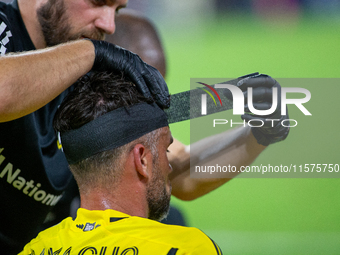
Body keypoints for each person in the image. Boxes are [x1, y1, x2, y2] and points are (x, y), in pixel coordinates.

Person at [0, 1, 169, 253]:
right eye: (98, 2)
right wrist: (91, 51)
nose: (109, 25)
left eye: (117, 9)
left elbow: (164, 166)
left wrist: (250, 126)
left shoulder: (81, 75)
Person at [19, 71, 223, 255]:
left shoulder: (34, 248)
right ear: (142, 160)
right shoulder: (184, 248)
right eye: (165, 150)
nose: (169, 167)